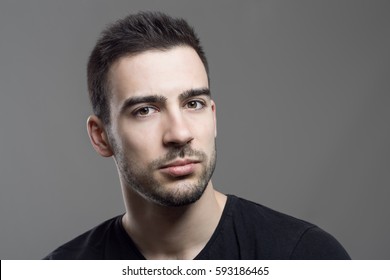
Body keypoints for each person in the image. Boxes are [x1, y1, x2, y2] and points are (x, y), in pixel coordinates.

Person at [44, 11, 350, 260]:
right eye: (145, 110)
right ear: (101, 136)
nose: (180, 134)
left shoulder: (306, 258)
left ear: (213, 117)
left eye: (193, 104)